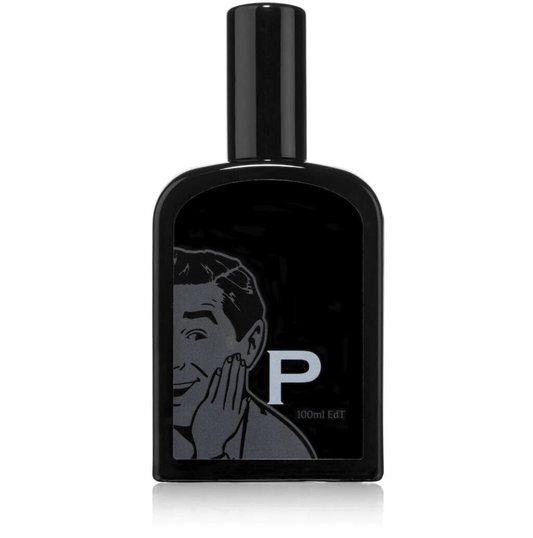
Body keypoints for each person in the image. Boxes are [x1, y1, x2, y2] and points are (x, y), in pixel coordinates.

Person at [172, 247, 316, 460]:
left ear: (251, 343)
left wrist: (211, 449)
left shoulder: (285, 450)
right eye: (164, 333)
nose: (175, 362)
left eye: (196, 335)